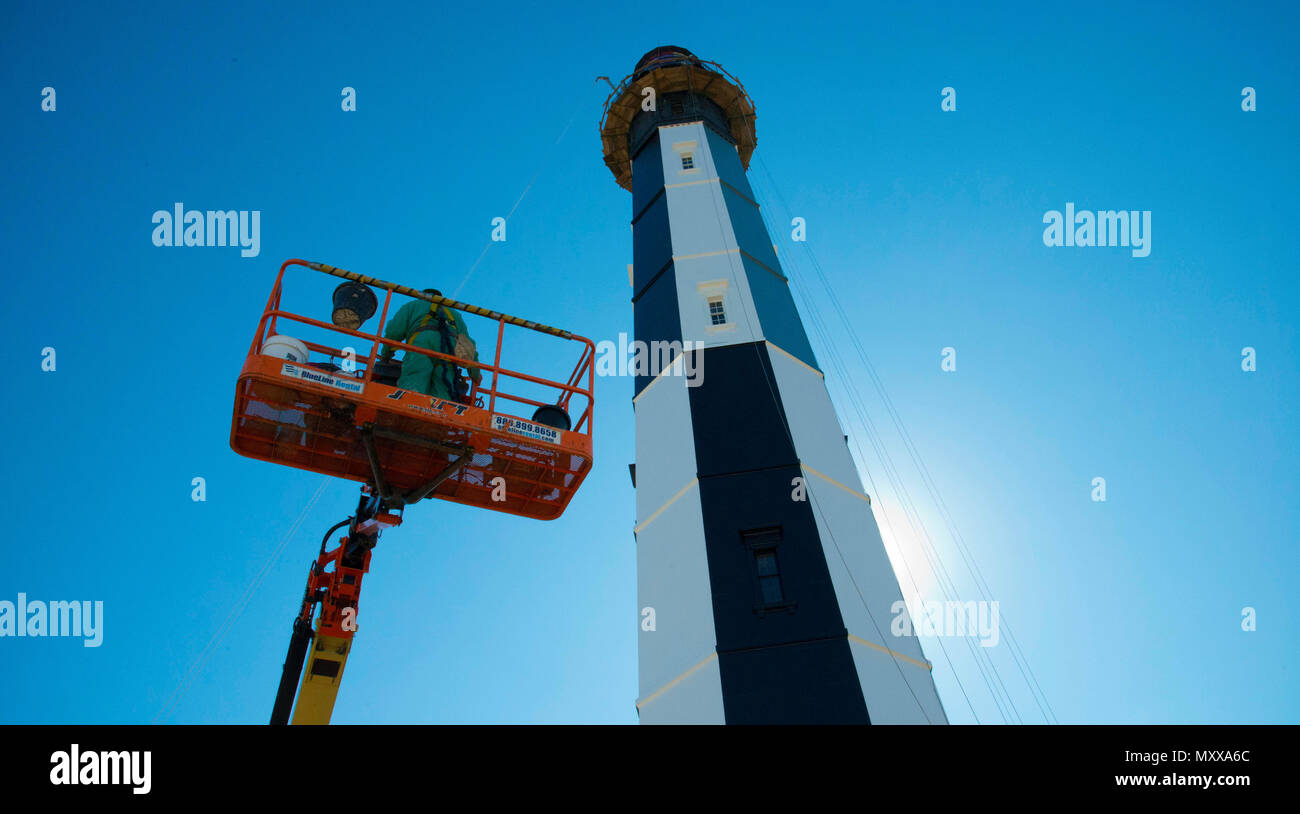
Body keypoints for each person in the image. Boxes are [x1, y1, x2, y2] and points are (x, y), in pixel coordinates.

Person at [379, 289, 481, 399]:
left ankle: (410, 403)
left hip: (422, 344)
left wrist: (386, 354)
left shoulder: (413, 305)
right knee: (444, 386)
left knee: (415, 378)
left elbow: (394, 331)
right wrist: (475, 374)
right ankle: (441, 411)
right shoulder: (454, 314)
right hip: (449, 351)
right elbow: (468, 345)